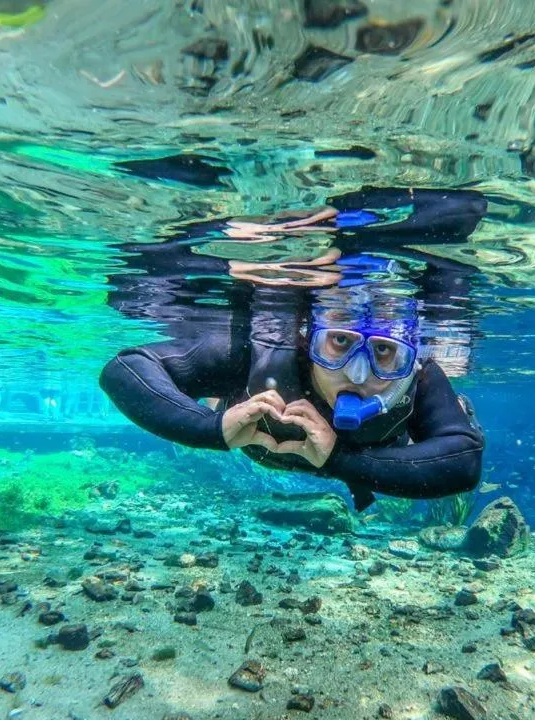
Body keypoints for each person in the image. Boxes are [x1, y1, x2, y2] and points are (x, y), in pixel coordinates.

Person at [99, 187, 488, 510]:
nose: (358, 373)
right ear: (308, 337)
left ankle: (457, 406)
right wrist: (212, 427)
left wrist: (341, 460)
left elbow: (463, 463)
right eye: (339, 342)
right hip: (259, 417)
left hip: (378, 454)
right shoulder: (265, 352)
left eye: (386, 352)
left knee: (450, 419)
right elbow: (125, 370)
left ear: (408, 355)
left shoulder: (415, 378)